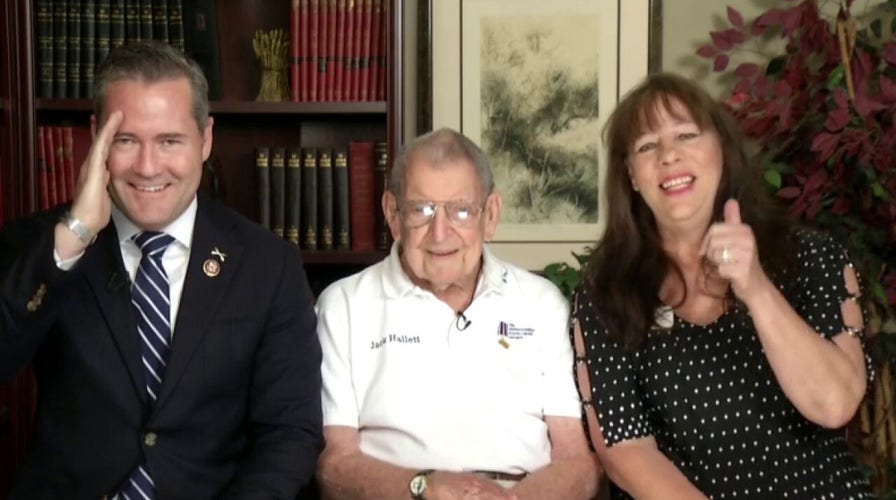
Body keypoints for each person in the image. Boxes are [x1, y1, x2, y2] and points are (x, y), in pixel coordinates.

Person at [0, 41, 323, 499]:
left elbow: (290, 433)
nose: (148, 167)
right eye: (126, 141)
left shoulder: (268, 265)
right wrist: (75, 234)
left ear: (205, 139)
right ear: (96, 138)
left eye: (170, 141)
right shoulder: (41, 246)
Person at [570, 72, 874, 499]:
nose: (669, 156)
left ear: (723, 152)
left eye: (686, 135)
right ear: (632, 176)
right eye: (647, 146)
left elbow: (834, 404)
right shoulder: (606, 290)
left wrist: (756, 288)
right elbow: (625, 448)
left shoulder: (811, 257)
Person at [314, 128, 600, 499]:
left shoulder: (541, 304)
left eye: (461, 211)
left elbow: (576, 461)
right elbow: (334, 464)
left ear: (490, 215)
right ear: (393, 214)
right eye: (422, 210)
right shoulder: (342, 307)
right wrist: (423, 488)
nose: (440, 233)